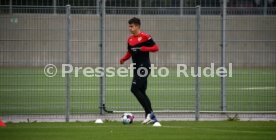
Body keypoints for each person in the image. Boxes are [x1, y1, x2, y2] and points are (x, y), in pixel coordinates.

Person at [120, 17, 159, 124]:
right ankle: (150, 116)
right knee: (141, 91)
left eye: (131, 26)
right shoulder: (130, 39)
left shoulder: (146, 37)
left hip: (144, 67)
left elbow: (156, 48)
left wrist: (144, 48)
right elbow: (130, 52)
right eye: (129, 26)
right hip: (137, 68)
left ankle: (150, 114)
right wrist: (124, 58)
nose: (130, 28)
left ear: (137, 26)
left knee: (134, 89)